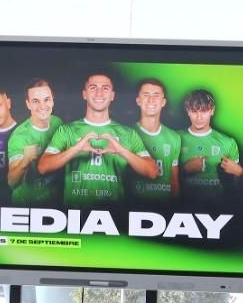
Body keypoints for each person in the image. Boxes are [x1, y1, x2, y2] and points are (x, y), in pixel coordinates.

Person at [37, 72, 158, 206]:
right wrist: (76, 148)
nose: (99, 93)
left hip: (113, 215)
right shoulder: (66, 130)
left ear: (112, 96)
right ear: (84, 94)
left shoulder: (128, 134)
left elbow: (152, 172)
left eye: (105, 88)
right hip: (75, 216)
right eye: (93, 88)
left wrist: (121, 151)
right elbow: (43, 167)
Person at [179, 89, 243, 201]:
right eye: (194, 111)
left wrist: (241, 173)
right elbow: (160, 183)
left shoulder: (228, 142)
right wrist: (185, 170)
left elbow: (241, 188)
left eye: (204, 111)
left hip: (217, 207)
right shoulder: (175, 138)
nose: (199, 117)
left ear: (212, 110)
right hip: (182, 207)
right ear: (188, 111)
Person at [6, 79, 64, 205]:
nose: (42, 106)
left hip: (54, 203)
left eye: (46, 99)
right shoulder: (20, 137)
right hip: (27, 206)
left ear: (53, 100)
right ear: (28, 104)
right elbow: (11, 182)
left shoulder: (57, 122)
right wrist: (25, 161)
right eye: (36, 101)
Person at [129, 78, 182, 203]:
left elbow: (174, 181)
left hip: (164, 209)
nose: (151, 100)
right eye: (146, 95)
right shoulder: (127, 134)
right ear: (138, 101)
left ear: (163, 102)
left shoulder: (174, 137)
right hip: (134, 208)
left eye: (156, 95)